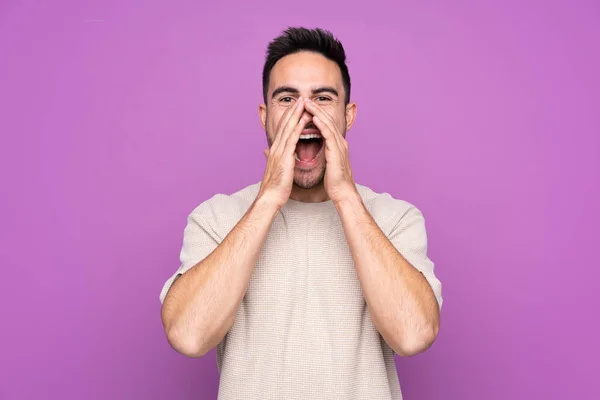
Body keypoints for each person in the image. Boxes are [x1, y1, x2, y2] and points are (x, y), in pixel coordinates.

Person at [159, 27, 443, 400]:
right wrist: (268, 200)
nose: (305, 114)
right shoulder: (216, 218)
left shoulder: (395, 218)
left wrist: (345, 195)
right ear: (264, 116)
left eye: (322, 98)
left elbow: (413, 335)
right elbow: (188, 336)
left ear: (349, 115)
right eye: (287, 98)